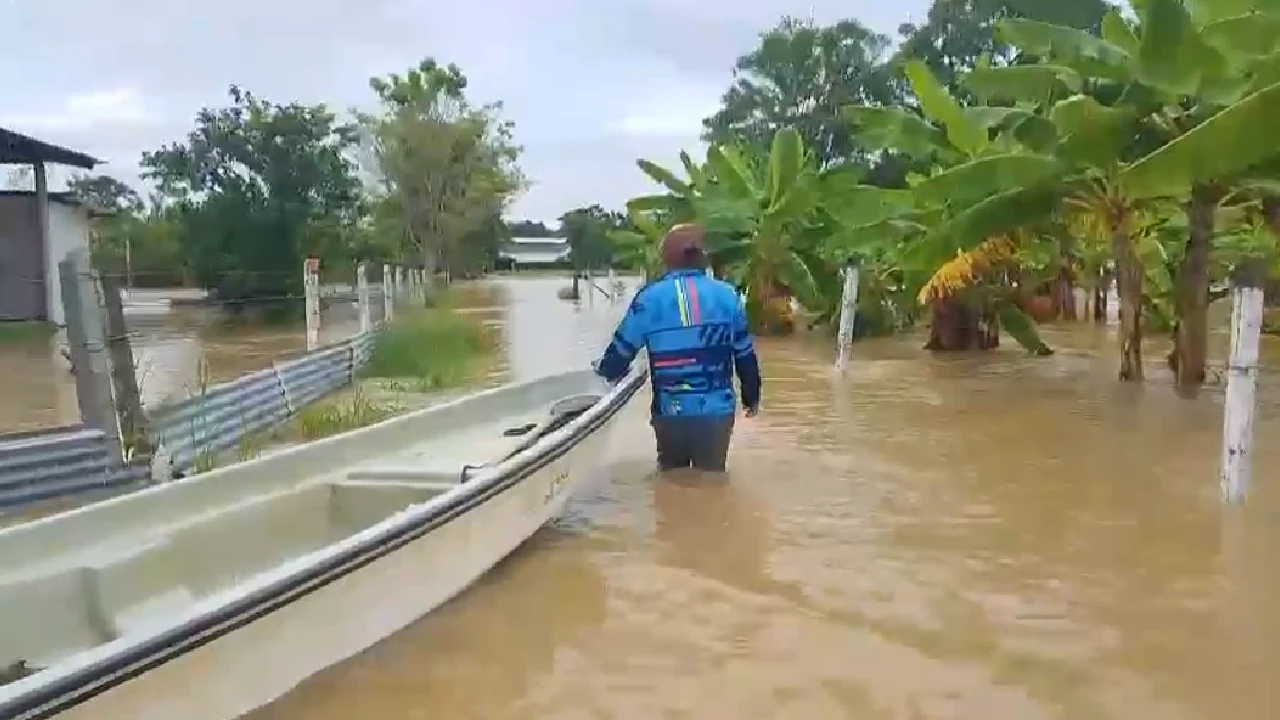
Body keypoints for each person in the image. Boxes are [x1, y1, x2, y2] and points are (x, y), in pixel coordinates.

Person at [592, 223, 761, 471]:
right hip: (716, 412)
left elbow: (621, 353)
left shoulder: (648, 299)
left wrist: (604, 373)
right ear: (703, 258)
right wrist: (751, 397)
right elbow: (745, 356)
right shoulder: (728, 296)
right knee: (712, 481)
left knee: (673, 479)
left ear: (666, 258)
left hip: (670, 411)